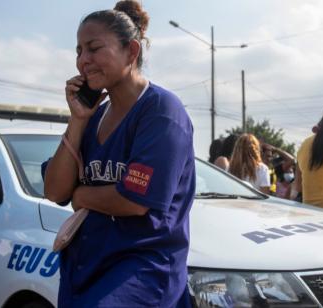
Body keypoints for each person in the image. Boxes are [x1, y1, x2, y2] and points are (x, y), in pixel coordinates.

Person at [42, 1, 195, 307]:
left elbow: (135, 200)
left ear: (132, 51)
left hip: (138, 273)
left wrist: (82, 196)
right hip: (84, 267)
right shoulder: (93, 116)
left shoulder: (161, 111)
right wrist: (78, 120)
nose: (83, 61)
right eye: (78, 51)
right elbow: (55, 190)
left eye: (94, 48)